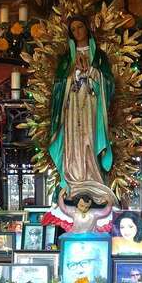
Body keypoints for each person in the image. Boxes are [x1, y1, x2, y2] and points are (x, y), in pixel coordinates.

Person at [49, 15, 116, 205]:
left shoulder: (100, 56)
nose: (77, 31)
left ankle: (92, 177)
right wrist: (75, 73)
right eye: (73, 29)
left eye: (80, 27)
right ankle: (74, 179)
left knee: (89, 138)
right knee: (74, 141)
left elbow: (110, 83)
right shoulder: (65, 59)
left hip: (92, 107)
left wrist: (92, 72)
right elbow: (58, 87)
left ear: (87, 28)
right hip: (71, 108)